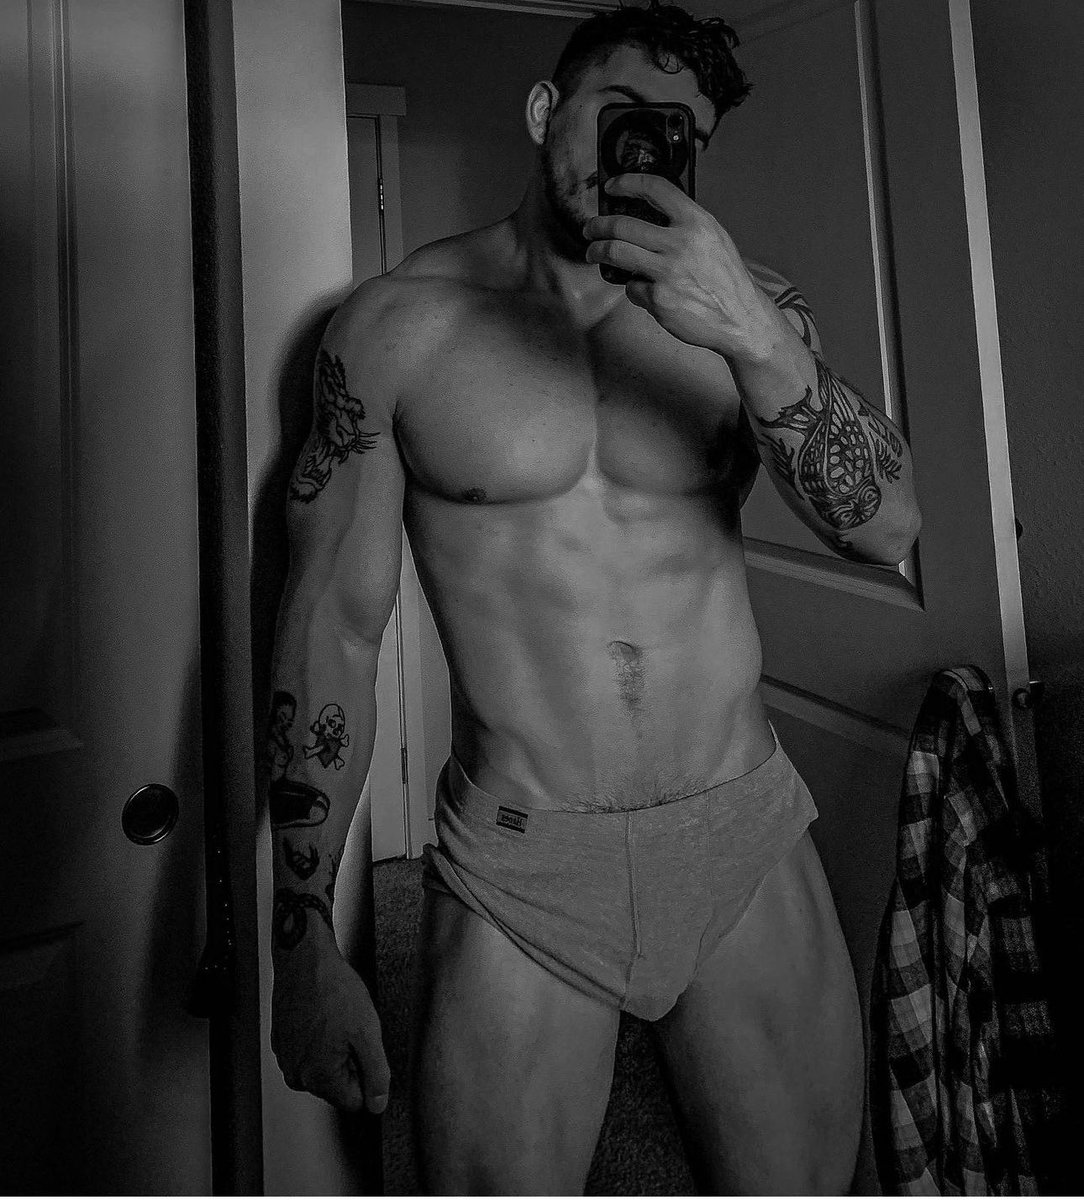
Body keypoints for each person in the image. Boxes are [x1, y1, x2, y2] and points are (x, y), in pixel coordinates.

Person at [266, 1, 921, 1192]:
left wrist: (752, 335)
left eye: (679, 137)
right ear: (543, 112)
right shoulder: (396, 329)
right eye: (622, 116)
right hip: (525, 861)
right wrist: (301, 935)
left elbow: (886, 530)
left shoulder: (755, 317)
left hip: (740, 829)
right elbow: (334, 636)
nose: (645, 154)